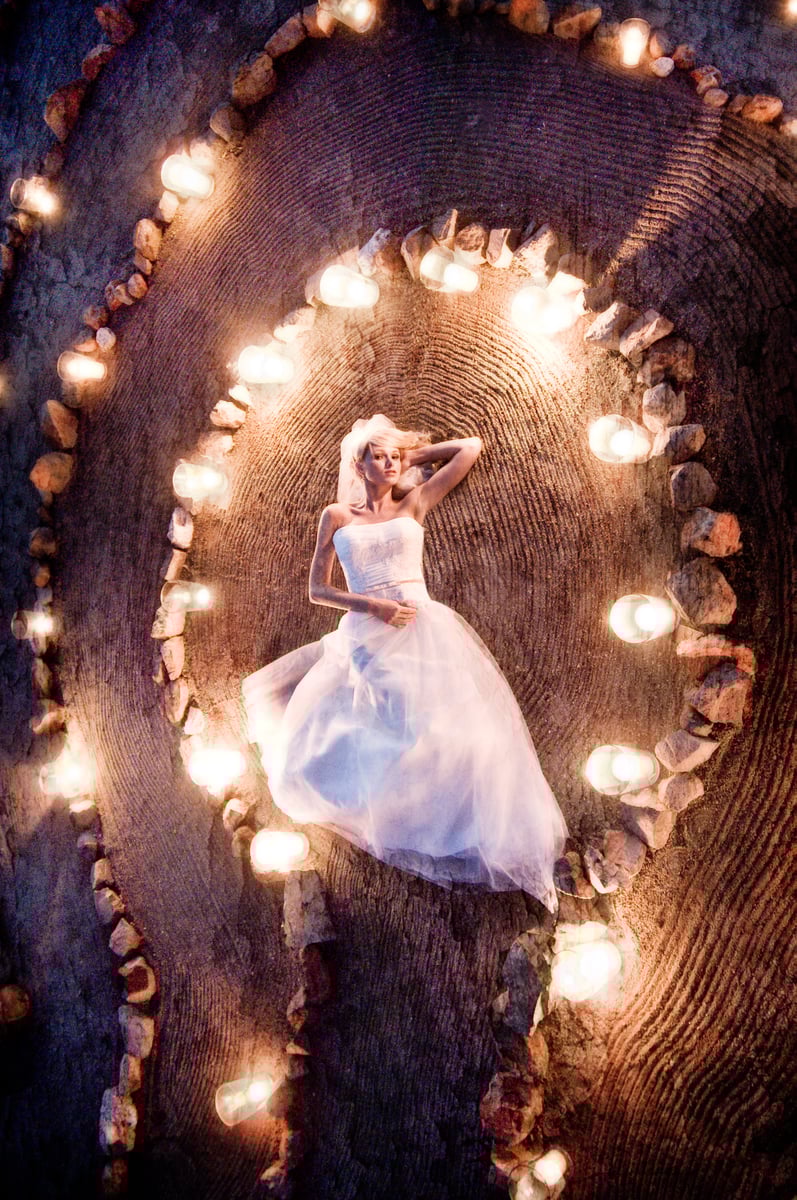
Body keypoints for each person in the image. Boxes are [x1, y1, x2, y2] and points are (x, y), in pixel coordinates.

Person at [242, 415, 567, 909]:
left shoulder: (414, 502)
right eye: (380, 457)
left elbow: (470, 447)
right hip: (369, 630)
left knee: (445, 724)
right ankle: (387, 802)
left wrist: (409, 454)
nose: (391, 464)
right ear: (359, 465)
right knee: (388, 723)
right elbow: (317, 590)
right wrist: (374, 606)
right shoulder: (337, 516)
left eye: (395, 457)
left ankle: (452, 809)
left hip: (423, 624)